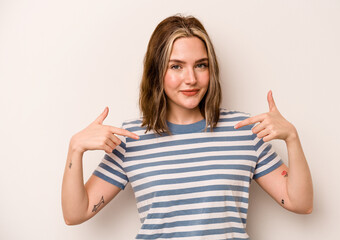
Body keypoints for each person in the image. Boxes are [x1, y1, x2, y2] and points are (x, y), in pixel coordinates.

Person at [61, 14, 313, 239]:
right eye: (176, 66)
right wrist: (75, 149)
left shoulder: (244, 131)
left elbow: (301, 203)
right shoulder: (131, 138)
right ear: (156, 72)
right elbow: (76, 214)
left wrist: (292, 137)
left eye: (201, 65)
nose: (191, 79)